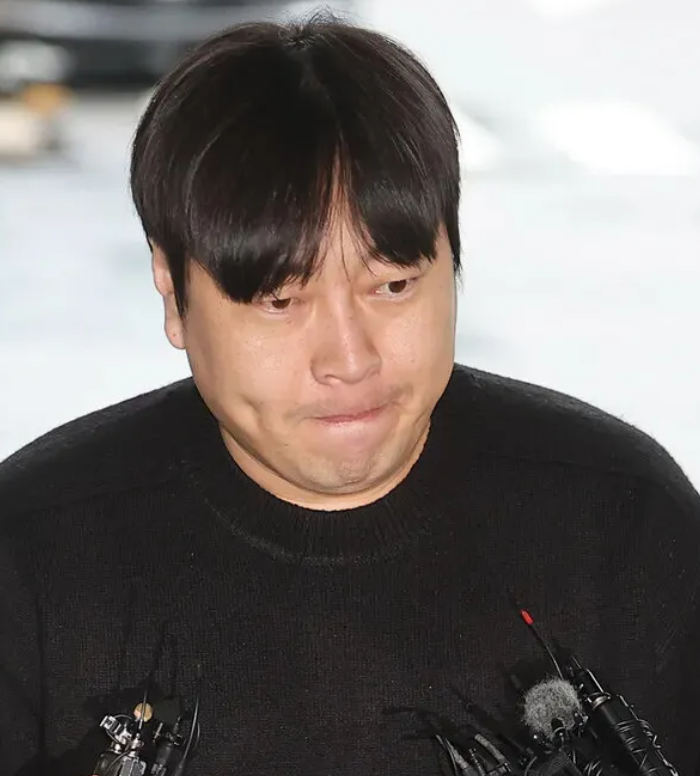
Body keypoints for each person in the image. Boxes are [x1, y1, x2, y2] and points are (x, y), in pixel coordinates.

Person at [1, 12, 699, 776]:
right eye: (281, 301)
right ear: (173, 290)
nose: (349, 359)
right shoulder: (33, 558)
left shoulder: (625, 525)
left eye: (392, 286)